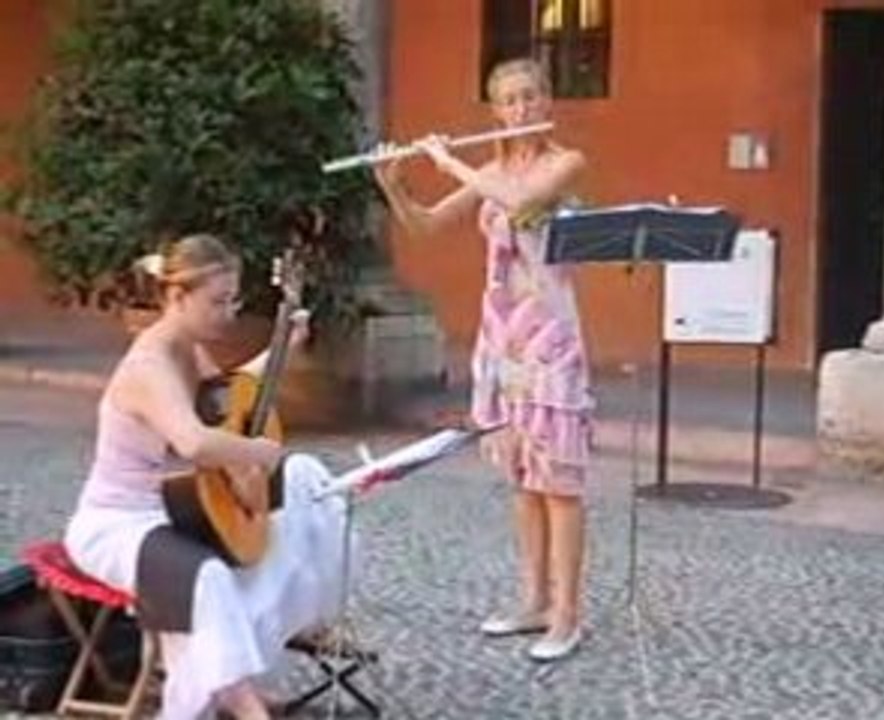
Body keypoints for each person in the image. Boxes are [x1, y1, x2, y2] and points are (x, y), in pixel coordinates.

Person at [64, 233, 354, 719]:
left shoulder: (189, 349)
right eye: (217, 301)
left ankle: (236, 684)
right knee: (209, 579)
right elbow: (195, 441)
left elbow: (229, 398)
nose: (229, 313)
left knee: (302, 492)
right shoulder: (149, 365)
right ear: (177, 297)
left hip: (175, 508)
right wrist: (258, 453)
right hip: (117, 523)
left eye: (233, 300)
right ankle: (244, 708)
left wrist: (282, 348)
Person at [374, 57, 592, 662]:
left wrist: (447, 161)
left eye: (531, 97)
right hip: (503, 340)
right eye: (510, 101)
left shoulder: (564, 164)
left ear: (548, 102)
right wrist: (394, 183)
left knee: (561, 483)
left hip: (551, 338)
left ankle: (568, 615)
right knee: (523, 478)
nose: (521, 109)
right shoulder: (490, 169)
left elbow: (521, 198)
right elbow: (424, 226)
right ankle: (533, 601)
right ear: (495, 111)